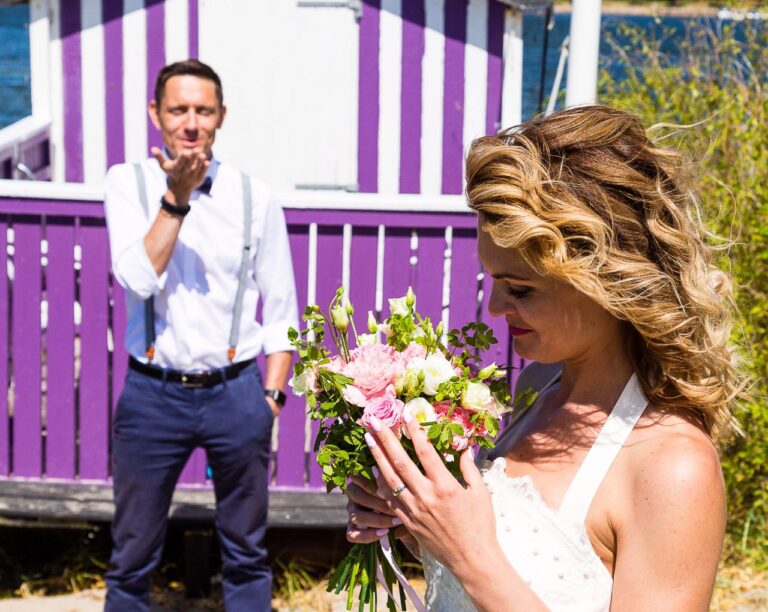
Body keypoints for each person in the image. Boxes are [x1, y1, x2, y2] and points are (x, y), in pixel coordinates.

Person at [345, 105, 740, 611]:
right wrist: (416, 521)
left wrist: (468, 555)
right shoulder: (536, 384)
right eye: (493, 280)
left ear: (605, 281)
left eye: (521, 289)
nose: (494, 307)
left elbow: (485, 563)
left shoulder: (673, 467)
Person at [103, 59, 298, 611]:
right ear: (156, 114)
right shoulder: (127, 183)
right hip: (153, 393)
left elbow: (282, 309)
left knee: (247, 550)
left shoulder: (254, 197)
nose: (191, 123)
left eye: (203, 111)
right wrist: (177, 198)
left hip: (236, 392)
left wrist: (271, 396)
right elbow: (137, 278)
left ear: (221, 116)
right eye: (178, 109)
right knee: (131, 553)